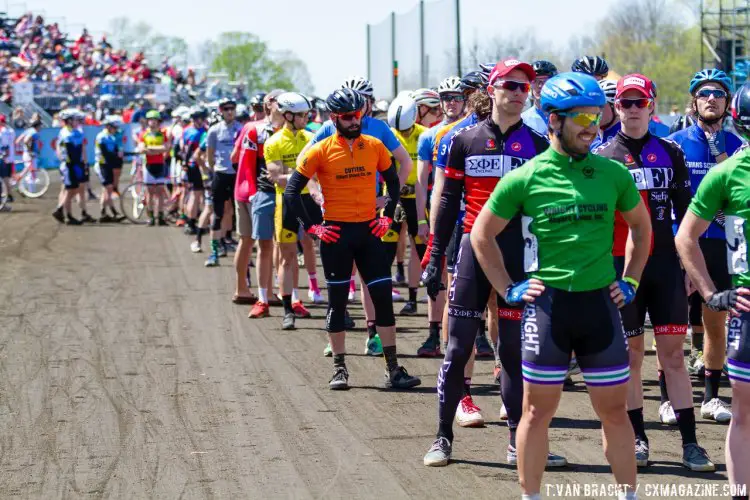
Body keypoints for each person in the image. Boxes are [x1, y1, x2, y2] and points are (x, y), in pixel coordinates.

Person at [468, 71, 652, 500]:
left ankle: (629, 495)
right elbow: (481, 235)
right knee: (535, 412)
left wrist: (630, 280)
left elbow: (643, 230)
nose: (592, 125)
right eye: (581, 117)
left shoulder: (612, 173)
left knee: (615, 413)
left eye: (596, 115)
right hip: (548, 308)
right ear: (553, 119)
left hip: (600, 307)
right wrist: (509, 287)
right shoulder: (526, 177)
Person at [422, 59, 560, 468]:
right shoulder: (461, 139)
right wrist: (433, 256)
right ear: (492, 88)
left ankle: (519, 443)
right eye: (511, 85)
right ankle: (443, 437)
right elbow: (447, 201)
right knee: (458, 346)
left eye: (525, 87)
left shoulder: (538, 142)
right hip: (472, 249)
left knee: (515, 352)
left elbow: (547, 206)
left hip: (519, 252)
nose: (519, 92)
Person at [595, 74, 714, 471]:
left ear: (652, 105)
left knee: (674, 357)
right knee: (630, 355)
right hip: (621, 269)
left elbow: (686, 214)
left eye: (638, 102)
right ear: (617, 106)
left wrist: (687, 264)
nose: (631, 109)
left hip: (664, 265)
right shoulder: (603, 155)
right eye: (624, 102)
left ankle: (691, 444)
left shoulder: (671, 151)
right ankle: (639, 439)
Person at [286, 87, 421, 391]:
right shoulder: (320, 149)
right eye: (347, 116)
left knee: (384, 301)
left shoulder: (373, 145)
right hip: (336, 234)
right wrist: (313, 228)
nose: (354, 120)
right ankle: (339, 368)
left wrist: (387, 212)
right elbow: (293, 191)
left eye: (358, 114)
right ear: (334, 118)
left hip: (370, 232)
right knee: (336, 304)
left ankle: (392, 369)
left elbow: (394, 178)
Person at [675, 82, 750, 500]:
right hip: (746, 305)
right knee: (744, 413)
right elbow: (686, 237)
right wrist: (709, 293)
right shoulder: (727, 173)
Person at [669, 68, 744, 423]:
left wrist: (719, 152)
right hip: (681, 242)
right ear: (694, 101)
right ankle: (669, 396)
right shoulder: (677, 142)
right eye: (704, 93)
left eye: (718, 93)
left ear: (728, 104)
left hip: (722, 243)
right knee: (673, 323)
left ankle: (711, 396)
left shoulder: (737, 145)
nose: (711, 98)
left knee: (716, 321)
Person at [415, 76, 467, 357]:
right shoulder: (429, 135)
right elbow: (422, 183)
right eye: (446, 98)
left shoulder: (472, 128)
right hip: (442, 212)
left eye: (456, 97)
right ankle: (433, 333)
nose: (451, 103)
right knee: (435, 275)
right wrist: (424, 221)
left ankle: (479, 335)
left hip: (466, 213)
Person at [265, 92, 317, 330]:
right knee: (286, 259)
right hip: (286, 203)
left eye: (307, 114)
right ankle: (288, 311)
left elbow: (316, 174)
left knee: (325, 250)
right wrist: (304, 174)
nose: (306, 118)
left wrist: (292, 173)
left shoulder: (312, 137)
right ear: (287, 115)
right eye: (302, 115)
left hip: (312, 201)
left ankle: (338, 307)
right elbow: (277, 178)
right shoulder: (273, 142)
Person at [236, 89, 287, 317]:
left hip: (282, 195)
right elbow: (245, 163)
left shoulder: (290, 130)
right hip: (258, 193)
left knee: (281, 246)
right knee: (258, 243)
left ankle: (281, 293)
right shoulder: (254, 129)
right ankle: (254, 293)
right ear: (269, 104)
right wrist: (253, 193)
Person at [384, 95, 428, 317]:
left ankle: (414, 298)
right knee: (386, 248)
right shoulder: (388, 135)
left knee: (419, 249)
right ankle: (382, 296)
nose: (402, 135)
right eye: (399, 131)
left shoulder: (424, 135)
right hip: (394, 198)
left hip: (417, 197)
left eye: (406, 130)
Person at [204, 97, 243, 266]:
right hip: (220, 174)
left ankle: (242, 253)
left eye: (232, 108)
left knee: (239, 214)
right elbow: (209, 154)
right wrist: (212, 172)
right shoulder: (214, 130)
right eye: (226, 108)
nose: (229, 111)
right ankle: (214, 252)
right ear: (221, 111)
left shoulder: (241, 129)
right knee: (217, 214)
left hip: (237, 175)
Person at [53, 109, 90, 225]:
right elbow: (73, 151)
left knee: (70, 190)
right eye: (75, 119)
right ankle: (62, 211)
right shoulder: (69, 133)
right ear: (69, 121)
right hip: (71, 165)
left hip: (72, 164)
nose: (78, 121)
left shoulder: (68, 131)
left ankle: (66, 213)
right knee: (71, 190)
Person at [137, 109, 171, 226]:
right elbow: (142, 149)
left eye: (155, 120)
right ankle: (151, 217)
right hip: (149, 166)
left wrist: (151, 149)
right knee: (150, 192)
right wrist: (158, 149)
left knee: (160, 191)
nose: (153, 122)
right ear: (147, 121)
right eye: (151, 120)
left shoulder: (163, 134)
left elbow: (166, 148)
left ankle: (160, 216)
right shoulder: (144, 134)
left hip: (160, 165)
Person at [94, 116, 124, 222]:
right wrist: (117, 156)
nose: (116, 129)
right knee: (109, 188)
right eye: (114, 127)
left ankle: (105, 212)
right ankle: (112, 212)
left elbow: (115, 151)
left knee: (107, 189)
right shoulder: (101, 136)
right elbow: (105, 153)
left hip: (108, 165)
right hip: (102, 165)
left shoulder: (112, 136)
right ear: (108, 127)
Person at [521, 60, 558, 136]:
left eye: (545, 81)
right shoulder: (523, 120)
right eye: (535, 81)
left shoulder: (565, 116)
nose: (540, 86)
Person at [0, 114, 15, 203]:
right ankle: (8, 194)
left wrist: (4, 155)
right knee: (6, 177)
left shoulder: (3, 131)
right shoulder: (11, 130)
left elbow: (5, 146)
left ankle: (8, 195)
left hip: (4, 157)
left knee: (5, 177)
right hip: (9, 157)